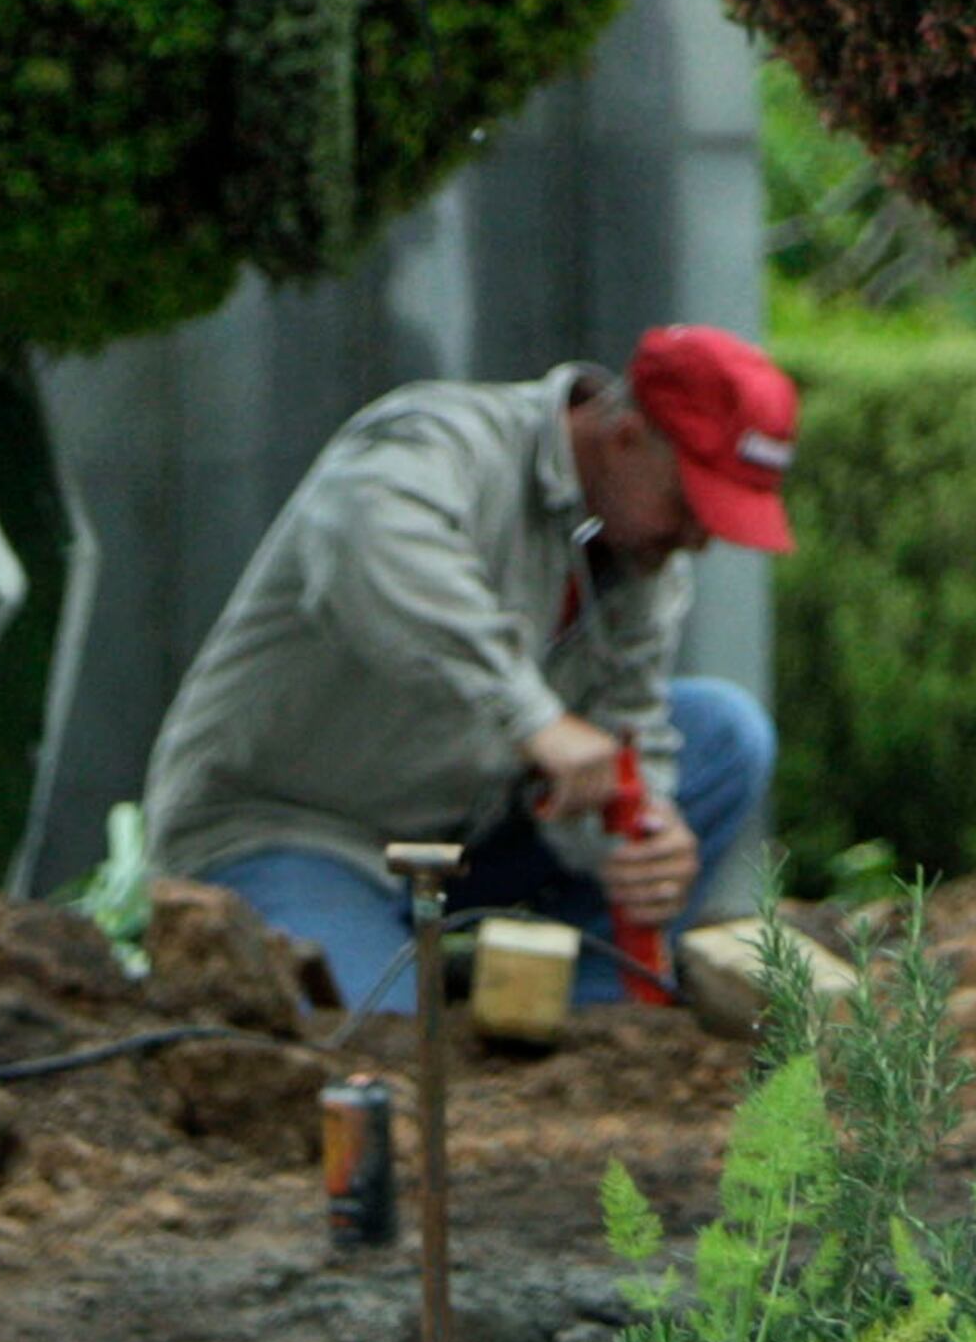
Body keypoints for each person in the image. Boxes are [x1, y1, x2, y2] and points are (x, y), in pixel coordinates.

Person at [142, 325, 792, 1009]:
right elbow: (368, 541)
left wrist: (647, 834)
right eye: (690, 505)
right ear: (624, 437)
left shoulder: (642, 554)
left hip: (464, 834)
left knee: (723, 733)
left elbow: (625, 728)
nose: (698, 538)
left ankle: (593, 1014)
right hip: (295, 830)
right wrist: (534, 719)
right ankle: (394, 963)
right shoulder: (440, 440)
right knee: (381, 1049)